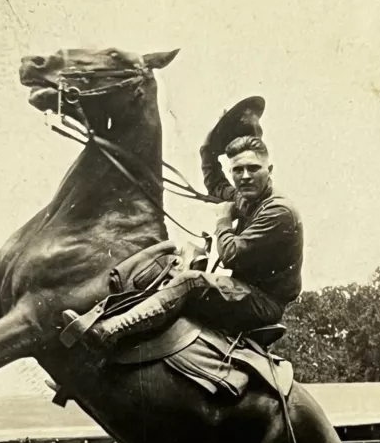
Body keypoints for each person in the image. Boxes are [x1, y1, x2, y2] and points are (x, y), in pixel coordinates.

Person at [80, 103, 304, 351]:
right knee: (167, 268)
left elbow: (231, 255)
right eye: (237, 170)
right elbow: (215, 184)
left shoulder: (278, 211)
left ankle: (110, 330)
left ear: (269, 170)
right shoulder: (248, 198)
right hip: (244, 292)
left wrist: (223, 220)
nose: (245, 176)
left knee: (190, 282)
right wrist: (208, 149)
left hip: (263, 303)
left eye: (253, 168)